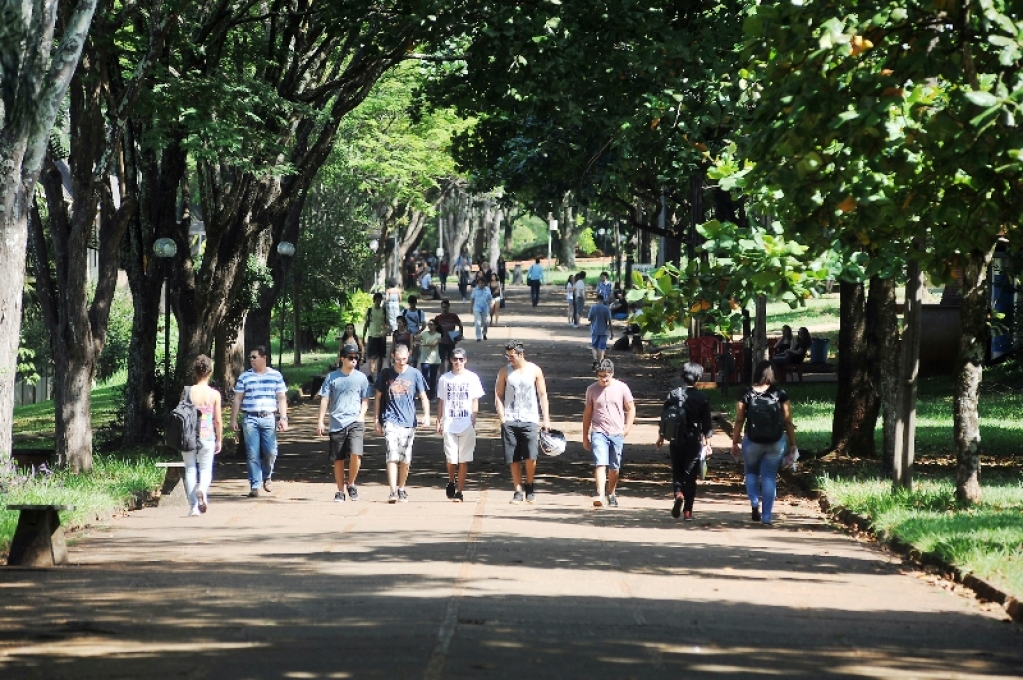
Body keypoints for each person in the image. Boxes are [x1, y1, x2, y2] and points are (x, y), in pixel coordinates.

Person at [731, 360, 798, 525]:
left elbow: (739, 419)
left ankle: (754, 502)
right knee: (769, 476)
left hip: (752, 441)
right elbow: (788, 421)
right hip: (775, 442)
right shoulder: (780, 394)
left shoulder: (746, 393)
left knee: (751, 472)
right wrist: (793, 444)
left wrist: (735, 440)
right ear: (774, 374)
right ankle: (767, 517)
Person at [495, 340, 551, 504]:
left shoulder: (535, 370)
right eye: (507, 356)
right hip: (511, 418)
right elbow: (498, 394)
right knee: (513, 457)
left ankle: (530, 484)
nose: (509, 359)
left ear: (521, 354)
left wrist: (546, 418)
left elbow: (542, 394)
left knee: (531, 455)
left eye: (512, 356)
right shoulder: (505, 371)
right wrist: (503, 417)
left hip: (530, 418)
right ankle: (517, 489)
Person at [656, 362, 714, 521]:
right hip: (694, 439)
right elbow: (707, 424)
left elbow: (664, 417)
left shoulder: (673, 394)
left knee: (677, 471)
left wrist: (661, 436)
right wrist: (708, 443)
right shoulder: (702, 398)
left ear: (682, 376)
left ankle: (678, 493)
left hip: (675, 438)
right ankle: (688, 511)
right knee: (690, 475)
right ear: (698, 378)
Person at [374, 344, 430, 503]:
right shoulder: (386, 374)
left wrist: (426, 415)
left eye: (404, 359)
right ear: (393, 356)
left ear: (409, 356)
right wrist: (376, 420)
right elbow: (378, 398)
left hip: (408, 421)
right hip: (390, 419)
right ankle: (392, 491)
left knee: (405, 458)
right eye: (398, 359)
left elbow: (423, 397)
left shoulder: (415, 374)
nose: (401, 362)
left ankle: (401, 488)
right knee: (392, 453)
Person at [230, 345, 288, 497]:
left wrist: (283, 418)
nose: (251, 360)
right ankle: (255, 485)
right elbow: (237, 399)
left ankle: (267, 476)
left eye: (254, 357)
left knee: (270, 452)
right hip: (250, 418)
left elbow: (281, 398)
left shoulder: (275, 376)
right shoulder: (245, 377)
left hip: (268, 417)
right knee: (252, 453)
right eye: (250, 357)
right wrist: (233, 419)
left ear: (264, 358)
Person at [317, 344, 371, 502]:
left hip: (356, 421)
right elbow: (325, 398)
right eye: (350, 357)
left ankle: (351, 483)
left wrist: (361, 415)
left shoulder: (361, 378)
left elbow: (365, 399)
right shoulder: (332, 377)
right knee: (338, 458)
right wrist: (320, 420)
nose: (354, 360)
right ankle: (340, 491)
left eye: (356, 357)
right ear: (342, 358)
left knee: (356, 454)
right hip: (337, 422)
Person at [582, 359, 635, 508]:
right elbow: (587, 413)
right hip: (599, 431)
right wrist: (585, 436)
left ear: (612, 373)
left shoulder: (622, 388)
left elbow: (631, 409)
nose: (604, 379)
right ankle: (600, 494)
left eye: (606, 375)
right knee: (600, 463)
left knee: (614, 467)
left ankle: (611, 493)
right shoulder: (591, 390)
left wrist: (627, 428)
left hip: (617, 432)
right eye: (600, 376)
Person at [436, 347, 485, 502]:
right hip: (449, 423)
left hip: (466, 422)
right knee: (451, 458)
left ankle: (460, 491)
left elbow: (475, 399)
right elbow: (441, 401)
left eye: (461, 359)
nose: (458, 362)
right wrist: (439, 420)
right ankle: (451, 480)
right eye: (455, 359)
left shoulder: (472, 378)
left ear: (466, 360)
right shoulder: (444, 379)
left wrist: (474, 417)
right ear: (451, 360)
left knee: (464, 459)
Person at [183, 354, 222, 516]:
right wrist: (219, 439)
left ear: (195, 372)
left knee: (190, 469)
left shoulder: (187, 392)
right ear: (210, 372)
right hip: (206, 435)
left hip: (188, 435)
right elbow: (218, 420)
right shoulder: (214, 394)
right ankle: (202, 489)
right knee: (206, 469)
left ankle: (193, 507)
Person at [433, 299, 465, 372]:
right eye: (443, 307)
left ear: (449, 307)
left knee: (451, 360)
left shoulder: (453, 316)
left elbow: (460, 325)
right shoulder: (438, 318)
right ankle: (442, 375)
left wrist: (460, 335)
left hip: (451, 341)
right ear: (441, 307)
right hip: (441, 342)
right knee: (441, 360)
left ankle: (449, 373)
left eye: (446, 307)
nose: (445, 309)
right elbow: (434, 329)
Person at [362, 293, 388, 381]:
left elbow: (387, 324)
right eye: (377, 300)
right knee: (372, 357)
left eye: (380, 300)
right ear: (374, 300)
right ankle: (372, 375)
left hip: (381, 336)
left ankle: (379, 374)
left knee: (380, 357)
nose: (378, 302)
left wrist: (386, 332)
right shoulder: (370, 311)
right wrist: (363, 336)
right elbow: (366, 324)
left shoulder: (384, 311)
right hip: (372, 336)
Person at [418, 319, 443, 399]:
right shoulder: (424, 333)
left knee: (433, 378)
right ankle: (424, 394)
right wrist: (414, 341)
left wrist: (422, 343)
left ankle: (432, 395)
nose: (429, 326)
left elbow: (433, 344)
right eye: (428, 324)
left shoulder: (438, 335)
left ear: (436, 326)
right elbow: (415, 337)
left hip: (435, 360)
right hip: (424, 359)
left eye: (431, 324)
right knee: (425, 378)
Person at [587, 293, 613, 369]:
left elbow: (589, 318)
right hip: (604, 331)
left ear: (597, 300)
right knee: (601, 348)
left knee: (594, 346)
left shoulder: (593, 308)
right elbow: (609, 321)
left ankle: (595, 359)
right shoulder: (606, 309)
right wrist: (611, 332)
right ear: (603, 300)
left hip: (594, 330)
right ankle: (600, 362)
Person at [401, 295, 427, 365]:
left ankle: (414, 367)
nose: (412, 305)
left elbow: (424, 323)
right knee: (405, 352)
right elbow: (400, 323)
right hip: (406, 334)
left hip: (416, 335)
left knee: (415, 354)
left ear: (416, 303)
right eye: (410, 303)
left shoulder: (420, 312)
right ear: (408, 303)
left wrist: (420, 331)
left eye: (413, 303)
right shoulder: (404, 312)